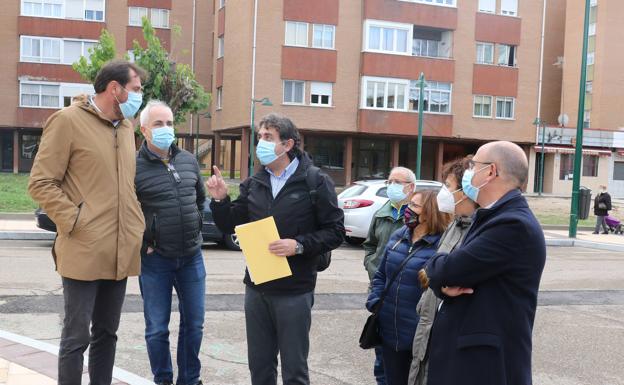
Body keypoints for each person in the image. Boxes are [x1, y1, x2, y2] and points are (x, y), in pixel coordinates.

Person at [28, 60, 147, 385]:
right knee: (76, 336)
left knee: (107, 334)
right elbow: (40, 182)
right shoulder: (67, 121)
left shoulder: (126, 127)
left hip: (120, 251)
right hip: (83, 249)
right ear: (114, 88)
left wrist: (136, 227)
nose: (140, 96)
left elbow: (126, 186)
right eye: (136, 89)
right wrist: (77, 221)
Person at [205, 113, 345, 385]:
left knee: (294, 370)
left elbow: (336, 232)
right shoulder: (255, 182)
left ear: (288, 145)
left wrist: (300, 245)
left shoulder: (315, 182)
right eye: (260, 137)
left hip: (294, 290)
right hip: (257, 288)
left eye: (268, 137)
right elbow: (230, 225)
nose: (261, 143)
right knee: (259, 368)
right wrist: (221, 200)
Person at [425, 141, 546, 385]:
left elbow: (448, 269)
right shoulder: (492, 215)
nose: (468, 172)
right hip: (470, 359)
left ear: (490, 171)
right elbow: (451, 275)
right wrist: (442, 281)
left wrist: (437, 267)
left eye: (473, 166)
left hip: (484, 366)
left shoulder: (512, 225)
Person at [134, 100, 206, 385]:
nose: (166, 129)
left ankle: (190, 380)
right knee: (156, 329)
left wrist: (196, 225)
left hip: (191, 257)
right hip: (155, 261)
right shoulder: (133, 166)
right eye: (158, 124)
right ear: (144, 130)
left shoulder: (188, 160)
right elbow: (126, 212)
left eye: (169, 123)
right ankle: (162, 379)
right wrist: (144, 243)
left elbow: (200, 199)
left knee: (195, 325)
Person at [366, 190, 451, 385]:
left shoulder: (442, 245)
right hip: (389, 331)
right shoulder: (399, 236)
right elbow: (380, 275)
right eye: (409, 204)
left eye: (414, 206)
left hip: (420, 334)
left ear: (430, 212)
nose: (407, 209)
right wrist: (375, 301)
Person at [407, 157, 477, 385]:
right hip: (427, 325)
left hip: (447, 333)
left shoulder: (479, 231)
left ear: (467, 190)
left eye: (448, 186)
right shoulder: (455, 225)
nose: (443, 193)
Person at [363, 166, 416, 385]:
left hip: (404, 294)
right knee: (381, 354)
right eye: (389, 181)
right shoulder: (381, 213)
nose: (391, 186)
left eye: (397, 182)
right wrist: (372, 267)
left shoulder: (417, 217)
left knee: (403, 356)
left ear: (411, 187)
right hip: (380, 291)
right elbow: (369, 246)